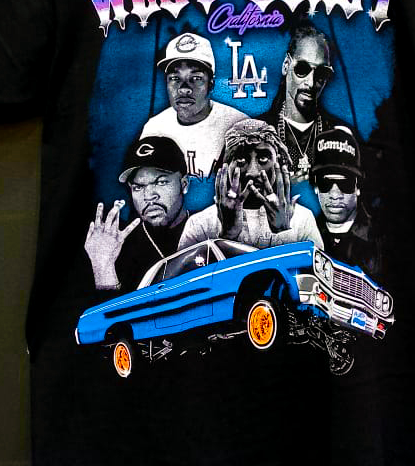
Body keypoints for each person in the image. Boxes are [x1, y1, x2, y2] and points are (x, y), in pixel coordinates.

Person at [178, 118, 323, 250]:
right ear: (226, 166)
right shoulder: (200, 225)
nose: (253, 172)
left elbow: (315, 269)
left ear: (278, 162)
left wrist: (283, 232)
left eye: (263, 158)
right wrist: (227, 235)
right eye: (241, 160)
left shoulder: (302, 220)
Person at [84, 136, 190, 291]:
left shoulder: (208, 226)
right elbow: (111, 306)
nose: (149, 196)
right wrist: (103, 267)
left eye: (161, 182)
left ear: (184, 184)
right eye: (138, 187)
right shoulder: (117, 246)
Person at [141, 31, 247, 180]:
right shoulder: (154, 128)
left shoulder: (238, 126)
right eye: (175, 78)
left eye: (196, 78)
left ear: (211, 84)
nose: (184, 88)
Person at [259, 22, 352, 184]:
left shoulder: (342, 137)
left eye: (321, 73)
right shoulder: (256, 134)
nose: (310, 82)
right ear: (286, 65)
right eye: (302, 69)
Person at [310, 126, 381, 277]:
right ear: (315, 186)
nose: (335, 194)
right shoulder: (304, 235)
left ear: (358, 187)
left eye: (345, 183)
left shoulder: (381, 239)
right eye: (325, 183)